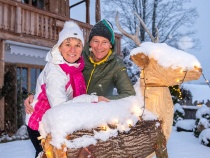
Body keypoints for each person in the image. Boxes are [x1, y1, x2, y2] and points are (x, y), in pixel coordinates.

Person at [25, 21, 109, 158]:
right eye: (67, 44)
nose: (72, 50)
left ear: (82, 48)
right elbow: (59, 106)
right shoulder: (56, 72)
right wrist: (93, 99)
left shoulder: (75, 66)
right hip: (40, 123)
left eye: (77, 45)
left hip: (56, 119)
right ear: (59, 47)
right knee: (48, 155)